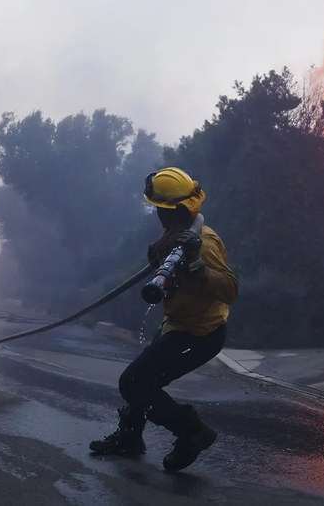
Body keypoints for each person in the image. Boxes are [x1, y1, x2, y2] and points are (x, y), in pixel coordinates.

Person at [90, 167, 239, 472]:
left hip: (199, 334)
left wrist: (199, 267)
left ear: (170, 211)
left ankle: (193, 431)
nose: (156, 213)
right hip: (177, 325)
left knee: (133, 382)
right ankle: (130, 437)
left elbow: (231, 289)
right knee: (145, 379)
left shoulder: (204, 243)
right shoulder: (176, 233)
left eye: (158, 207)